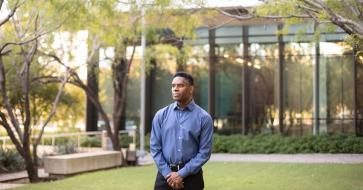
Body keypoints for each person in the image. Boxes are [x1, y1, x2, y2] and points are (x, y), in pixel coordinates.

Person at [150, 72, 213, 190]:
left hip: (192, 178)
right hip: (165, 176)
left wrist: (181, 174)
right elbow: (155, 148)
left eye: (180, 85)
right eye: (173, 86)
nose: (175, 89)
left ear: (191, 89)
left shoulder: (204, 118)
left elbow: (204, 152)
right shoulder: (161, 115)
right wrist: (169, 174)